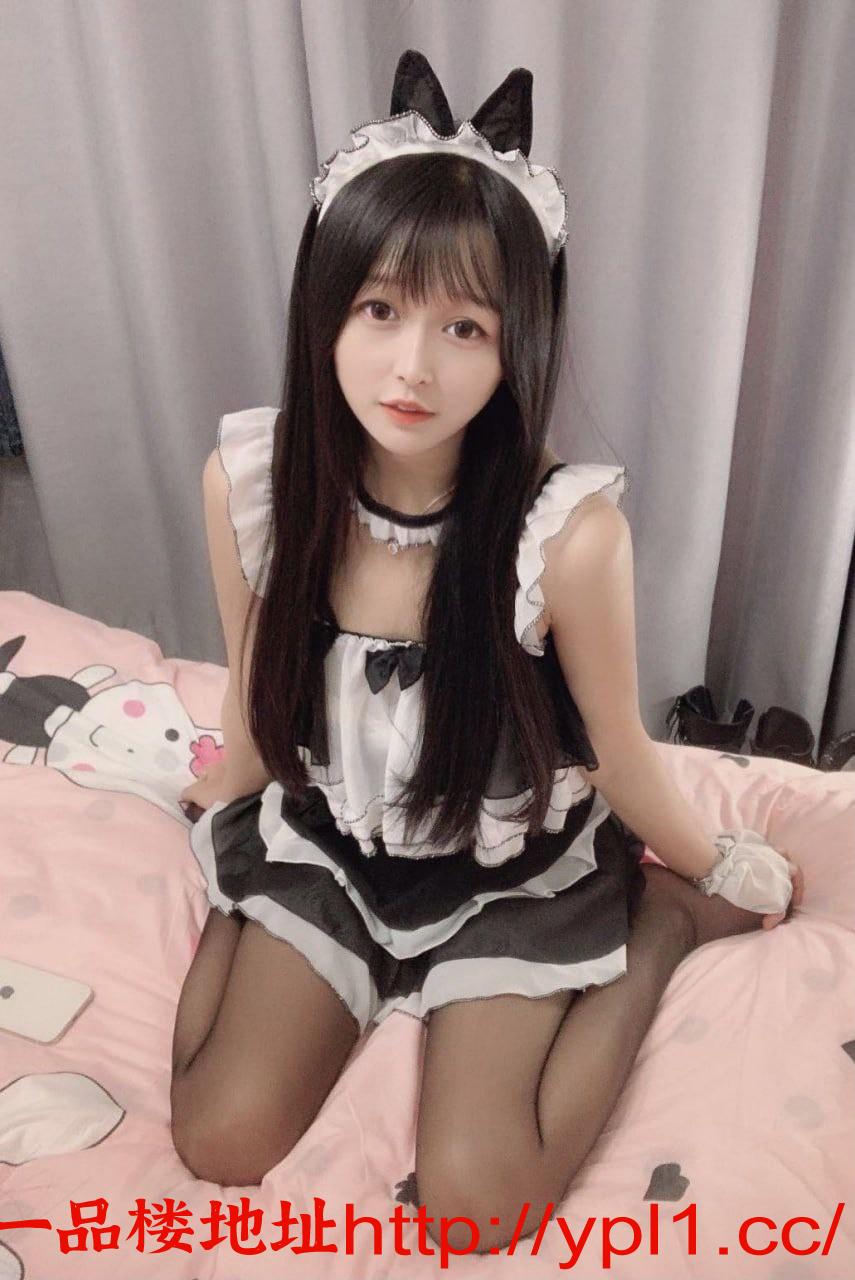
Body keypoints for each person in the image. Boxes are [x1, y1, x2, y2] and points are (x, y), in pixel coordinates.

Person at [170, 49, 803, 1253]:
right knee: (219, 1134)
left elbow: (614, 746)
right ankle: (293, 933)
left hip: (513, 867)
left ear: (521, 339)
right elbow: (259, 679)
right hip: (338, 843)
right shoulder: (254, 485)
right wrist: (224, 805)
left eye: (465, 324)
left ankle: (660, 932)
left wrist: (711, 861)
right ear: (324, 304)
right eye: (380, 309)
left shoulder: (566, 536)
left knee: (480, 1202)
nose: (414, 366)